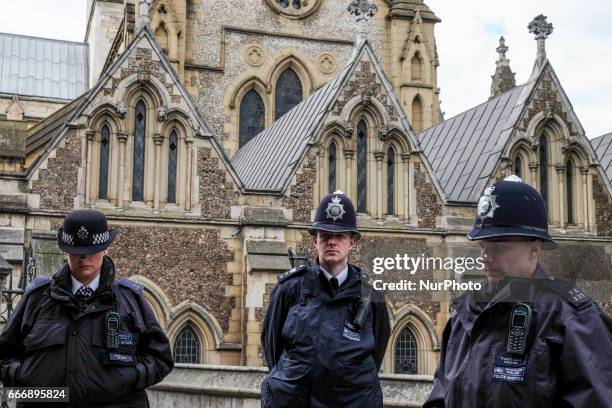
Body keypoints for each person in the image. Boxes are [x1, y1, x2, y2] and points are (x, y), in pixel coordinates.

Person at [424, 176, 612, 407]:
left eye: (499, 246)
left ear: (534, 249)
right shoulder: (463, 315)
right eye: (484, 245)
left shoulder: (573, 318)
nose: (486, 256)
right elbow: (440, 397)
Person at [0, 209, 174, 407]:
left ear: (106, 249)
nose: (84, 258)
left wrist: (128, 380)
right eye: (77, 252)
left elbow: (160, 358)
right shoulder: (37, 298)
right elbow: (4, 355)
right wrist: (33, 388)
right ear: (66, 251)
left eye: (92, 251)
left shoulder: (130, 300)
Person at [261, 191, 390, 408]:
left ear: (352, 242)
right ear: (314, 240)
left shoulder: (371, 294)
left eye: (340, 236)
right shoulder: (289, 288)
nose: (332, 242)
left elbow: (377, 350)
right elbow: (271, 347)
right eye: (325, 235)